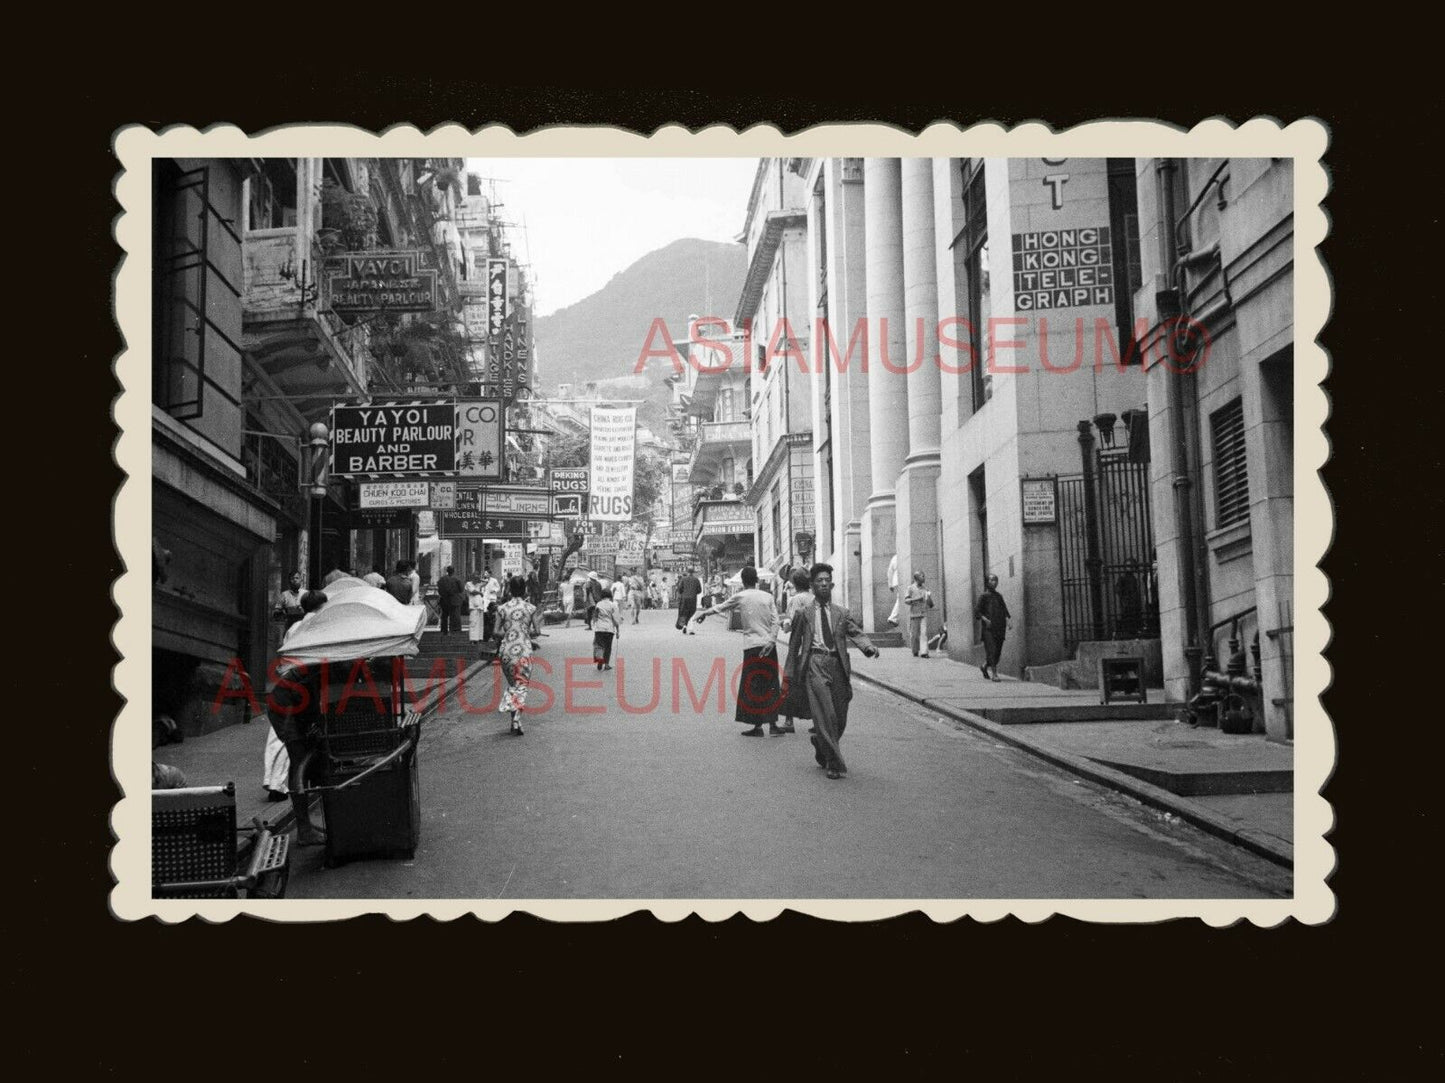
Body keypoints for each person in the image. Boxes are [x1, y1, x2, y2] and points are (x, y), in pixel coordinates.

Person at [782, 563, 878, 780]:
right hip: (815, 663)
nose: (824, 584)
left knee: (840, 718)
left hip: (838, 666)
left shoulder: (841, 613)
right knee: (827, 714)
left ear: (832, 585)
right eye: (819, 581)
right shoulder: (803, 614)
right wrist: (788, 674)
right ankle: (834, 763)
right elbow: (794, 645)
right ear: (812, 586)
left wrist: (868, 647)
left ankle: (820, 742)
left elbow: (856, 632)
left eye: (827, 581)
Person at [265, 588, 333, 846]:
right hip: (287, 702)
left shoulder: (317, 630)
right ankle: (304, 829)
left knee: (306, 758)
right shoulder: (317, 631)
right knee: (299, 760)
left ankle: (310, 825)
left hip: (297, 697)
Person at [695, 565, 786, 737]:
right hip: (768, 645)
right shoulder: (767, 597)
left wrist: (703, 613)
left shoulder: (740, 596)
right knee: (771, 684)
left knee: (753, 686)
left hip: (752, 646)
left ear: (743, 582)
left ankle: (757, 726)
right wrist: (772, 640)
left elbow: (720, 607)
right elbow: (776, 621)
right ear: (757, 581)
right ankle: (773, 725)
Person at [495, 575, 541, 735]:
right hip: (524, 650)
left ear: (510, 590)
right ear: (525, 589)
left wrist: (510, 633)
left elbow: (496, 632)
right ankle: (517, 718)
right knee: (522, 684)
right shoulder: (530, 608)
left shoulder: (502, 609)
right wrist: (524, 634)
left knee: (513, 685)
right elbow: (537, 631)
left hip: (506, 651)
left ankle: (513, 720)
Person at [778, 568, 815, 734]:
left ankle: (788, 721)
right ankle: (818, 721)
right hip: (814, 646)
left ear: (795, 583)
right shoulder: (815, 598)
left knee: (790, 680)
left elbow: (788, 626)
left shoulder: (795, 599)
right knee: (813, 684)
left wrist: (782, 623)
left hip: (797, 645)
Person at [974, 573, 1012, 682]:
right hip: (988, 629)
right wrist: (985, 620)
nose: (994, 582)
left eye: (995, 580)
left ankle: (985, 666)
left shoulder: (999, 596)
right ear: (987, 582)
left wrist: (1008, 620)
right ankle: (995, 674)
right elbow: (977, 611)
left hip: (999, 627)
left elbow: (1004, 609)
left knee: (997, 653)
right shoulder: (983, 596)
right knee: (992, 650)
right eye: (991, 580)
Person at [902, 570, 935, 658]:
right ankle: (915, 650)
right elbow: (906, 601)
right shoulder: (910, 588)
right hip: (914, 614)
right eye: (922, 576)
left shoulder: (925, 589)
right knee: (914, 635)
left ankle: (924, 652)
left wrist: (929, 598)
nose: (924, 577)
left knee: (924, 633)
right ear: (916, 578)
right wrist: (916, 599)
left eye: (924, 576)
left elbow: (931, 605)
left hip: (923, 614)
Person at [592, 590, 621, 671]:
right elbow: (616, 619)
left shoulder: (598, 604)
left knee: (599, 645)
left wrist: (594, 624)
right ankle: (607, 664)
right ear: (610, 595)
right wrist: (618, 630)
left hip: (599, 629)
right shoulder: (613, 605)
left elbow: (595, 616)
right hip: (609, 629)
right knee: (608, 647)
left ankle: (600, 659)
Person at [437, 564, 463, 635]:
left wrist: (443, 595)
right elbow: (461, 589)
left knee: (444, 615)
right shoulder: (457, 579)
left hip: (444, 600)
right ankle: (453, 630)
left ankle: (444, 630)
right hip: (455, 599)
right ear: (454, 571)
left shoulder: (442, 579)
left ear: (447, 571)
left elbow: (439, 589)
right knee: (454, 615)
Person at [675, 566, 702, 634]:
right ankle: (690, 629)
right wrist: (693, 592)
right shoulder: (696, 580)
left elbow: (680, 589)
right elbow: (699, 590)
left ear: (687, 572)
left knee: (684, 613)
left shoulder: (683, 579)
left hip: (684, 599)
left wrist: (683, 593)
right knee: (692, 613)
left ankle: (684, 626)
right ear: (693, 572)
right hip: (693, 599)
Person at [885, 553, 901, 628]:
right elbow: (890, 571)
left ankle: (894, 617)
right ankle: (893, 618)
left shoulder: (894, 557)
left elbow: (889, 572)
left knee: (900, 598)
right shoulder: (898, 556)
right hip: (899, 580)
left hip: (895, 581)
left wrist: (890, 584)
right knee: (900, 598)